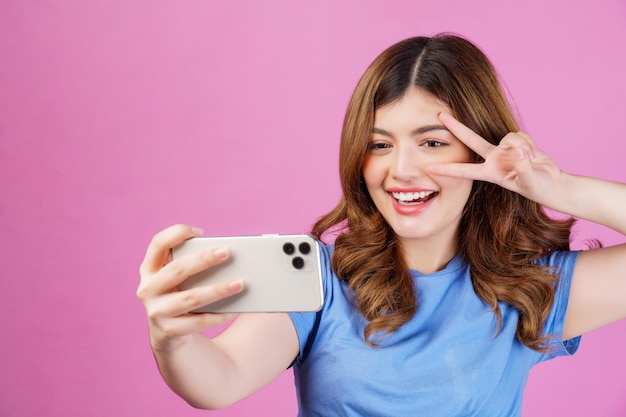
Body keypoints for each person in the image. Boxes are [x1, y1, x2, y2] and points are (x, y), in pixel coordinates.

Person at [137, 33, 626, 416]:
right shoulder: (321, 281)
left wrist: (558, 188)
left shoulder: (529, 289)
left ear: (481, 150)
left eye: (432, 143)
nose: (402, 170)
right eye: (380, 144)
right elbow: (219, 379)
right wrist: (172, 339)